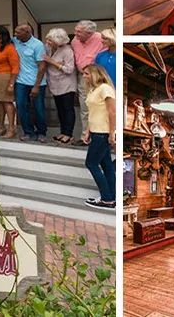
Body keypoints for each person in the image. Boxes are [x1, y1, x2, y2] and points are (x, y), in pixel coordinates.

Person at [81, 64, 116, 210]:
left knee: (91, 163)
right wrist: (88, 130)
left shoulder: (105, 89)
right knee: (106, 165)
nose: (84, 76)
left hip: (103, 132)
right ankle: (112, 196)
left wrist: (112, 133)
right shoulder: (93, 90)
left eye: (87, 73)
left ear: (95, 74)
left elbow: (112, 112)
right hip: (96, 131)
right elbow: (94, 113)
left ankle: (106, 198)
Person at [12, 23, 49, 143]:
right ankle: (28, 132)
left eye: (18, 32)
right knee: (22, 107)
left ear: (27, 33)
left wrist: (36, 86)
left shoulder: (37, 45)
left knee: (39, 108)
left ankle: (41, 132)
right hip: (21, 82)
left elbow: (42, 66)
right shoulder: (16, 41)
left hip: (36, 83)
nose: (15, 34)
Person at [42, 28, 77, 145]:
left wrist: (51, 62)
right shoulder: (49, 48)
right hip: (54, 84)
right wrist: (58, 64)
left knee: (67, 109)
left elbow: (69, 69)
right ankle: (63, 132)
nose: (47, 42)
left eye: (50, 40)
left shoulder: (67, 51)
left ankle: (69, 134)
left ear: (58, 41)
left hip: (66, 84)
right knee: (60, 109)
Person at [69, 20, 104, 132]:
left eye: (79, 32)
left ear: (89, 33)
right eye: (76, 30)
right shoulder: (75, 41)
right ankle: (85, 135)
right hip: (82, 77)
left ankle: (100, 134)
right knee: (84, 106)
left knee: (99, 106)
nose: (75, 34)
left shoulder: (101, 38)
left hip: (98, 77)